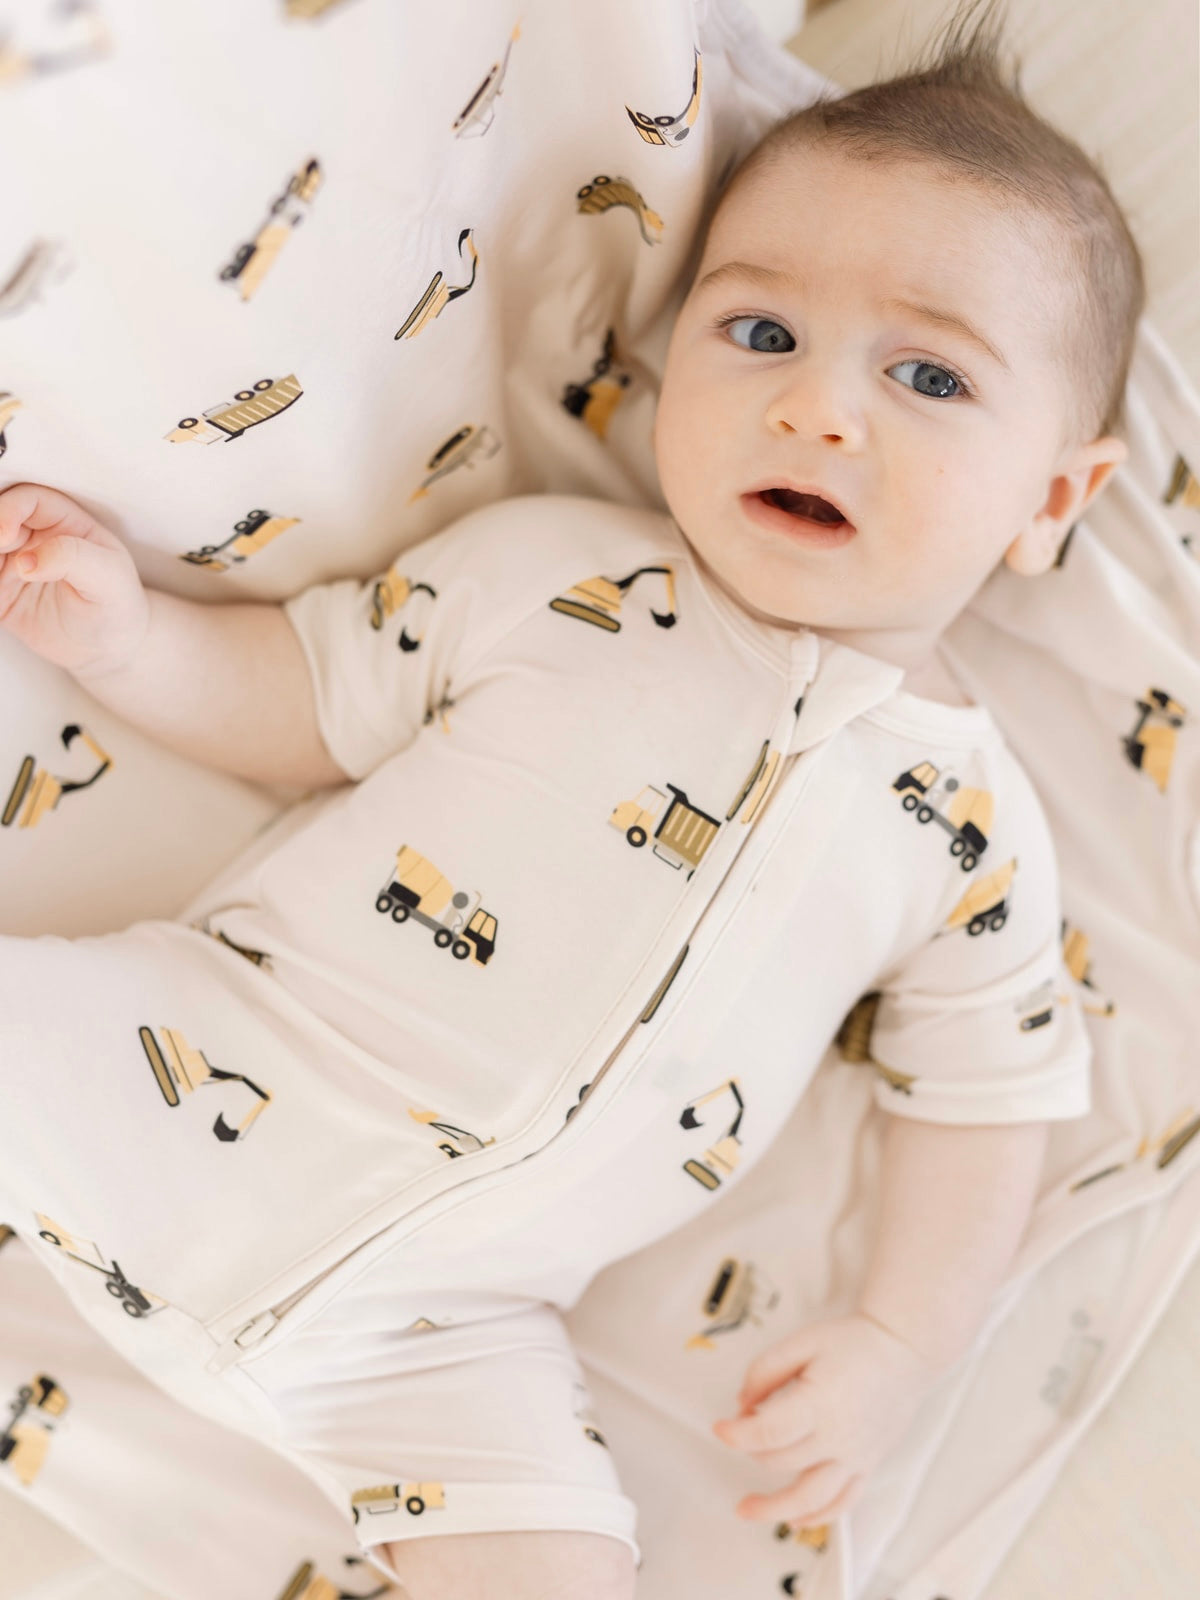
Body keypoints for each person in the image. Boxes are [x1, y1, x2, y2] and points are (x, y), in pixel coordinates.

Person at [0, 1, 1144, 1595]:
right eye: (761, 334)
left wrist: (902, 1336)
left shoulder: (970, 835)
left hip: (445, 1334)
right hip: (179, 1066)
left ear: (1054, 499)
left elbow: (988, 1098)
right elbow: (306, 699)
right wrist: (129, 640)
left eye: (929, 376)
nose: (821, 407)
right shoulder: (556, 577)